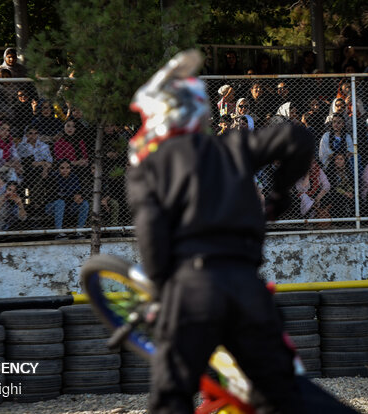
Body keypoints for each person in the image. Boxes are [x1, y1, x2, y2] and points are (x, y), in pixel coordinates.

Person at [126, 50, 337, 414]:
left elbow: (150, 232)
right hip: (248, 288)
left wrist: (161, 293)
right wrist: (279, 193)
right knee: (282, 396)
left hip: (192, 288)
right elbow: (300, 137)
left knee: (171, 398)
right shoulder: (232, 147)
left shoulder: (152, 166)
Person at [45, 159, 89, 238]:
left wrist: (79, 197)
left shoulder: (74, 177)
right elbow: (54, 195)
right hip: (52, 207)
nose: (65, 170)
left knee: (84, 203)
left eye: (68, 168)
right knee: (60, 202)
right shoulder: (53, 177)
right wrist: (72, 197)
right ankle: (59, 231)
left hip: (69, 205)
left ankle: (79, 230)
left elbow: (79, 191)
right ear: (58, 168)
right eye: (62, 168)